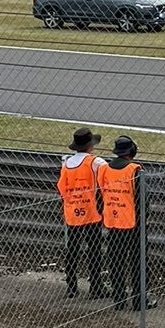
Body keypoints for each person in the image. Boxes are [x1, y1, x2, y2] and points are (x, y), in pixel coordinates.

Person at [97, 136, 151, 311]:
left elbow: (100, 195)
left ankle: (119, 299)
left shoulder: (104, 169)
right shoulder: (135, 170)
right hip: (133, 224)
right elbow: (143, 200)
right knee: (138, 263)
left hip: (112, 222)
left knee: (116, 262)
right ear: (131, 152)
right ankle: (139, 301)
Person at [56, 126, 105, 300]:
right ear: (90, 146)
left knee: (72, 249)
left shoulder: (67, 163)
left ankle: (71, 286)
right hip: (91, 212)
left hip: (72, 212)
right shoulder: (96, 162)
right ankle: (96, 286)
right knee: (94, 250)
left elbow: (61, 187)